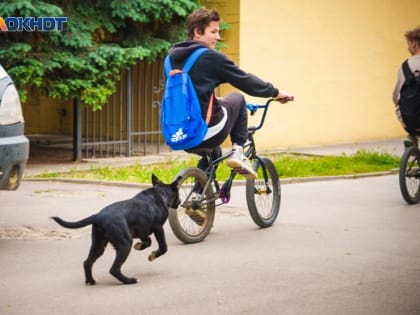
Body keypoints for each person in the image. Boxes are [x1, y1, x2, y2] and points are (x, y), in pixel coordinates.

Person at [165, 8, 293, 179]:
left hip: (180, 133)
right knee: (237, 98)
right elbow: (245, 81)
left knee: (215, 153)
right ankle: (238, 152)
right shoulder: (210, 57)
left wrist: (212, 99)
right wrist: (275, 92)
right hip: (206, 130)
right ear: (197, 32)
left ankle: (197, 195)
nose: (218, 37)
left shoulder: (171, 59)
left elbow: (190, 92)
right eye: (214, 31)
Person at [392, 26, 420, 147]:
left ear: (414, 44)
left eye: (408, 44)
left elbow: (395, 97)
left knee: (399, 105)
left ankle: (412, 138)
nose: (408, 47)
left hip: (411, 122)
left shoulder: (404, 67)